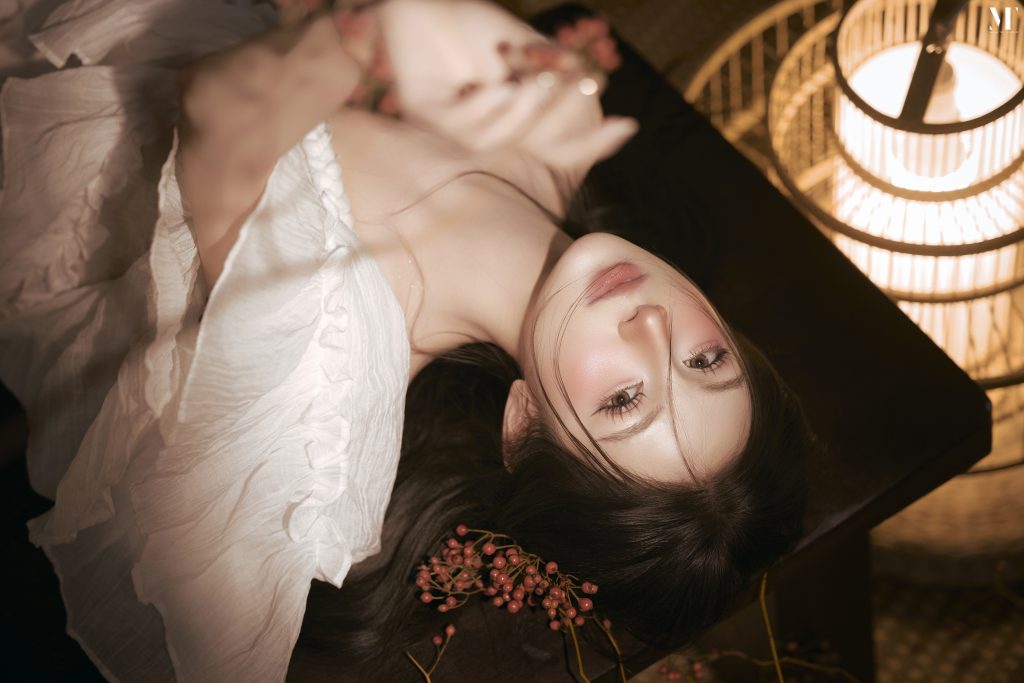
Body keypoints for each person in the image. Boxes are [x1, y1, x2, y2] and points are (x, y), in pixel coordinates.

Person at [0, 0, 812, 680]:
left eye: (625, 399)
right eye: (705, 360)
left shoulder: (334, 344)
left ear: (524, 424)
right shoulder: (566, 115)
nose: (652, 327)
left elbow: (219, 104)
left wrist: (378, 31)